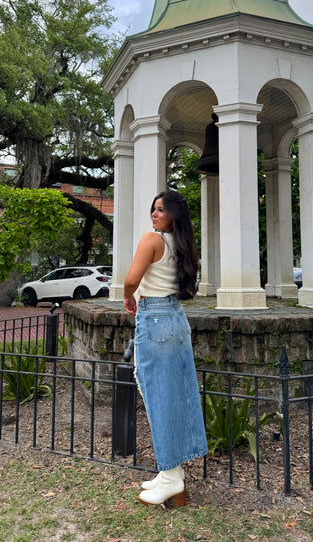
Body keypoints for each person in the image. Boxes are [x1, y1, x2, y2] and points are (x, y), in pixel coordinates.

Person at [124, 190, 208, 507]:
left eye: (161, 209)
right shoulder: (182, 244)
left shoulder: (152, 239)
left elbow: (132, 278)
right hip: (174, 317)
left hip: (156, 317)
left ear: (174, 214)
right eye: (153, 209)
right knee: (173, 394)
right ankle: (171, 471)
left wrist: (126, 296)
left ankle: (171, 477)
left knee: (159, 396)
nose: (155, 214)